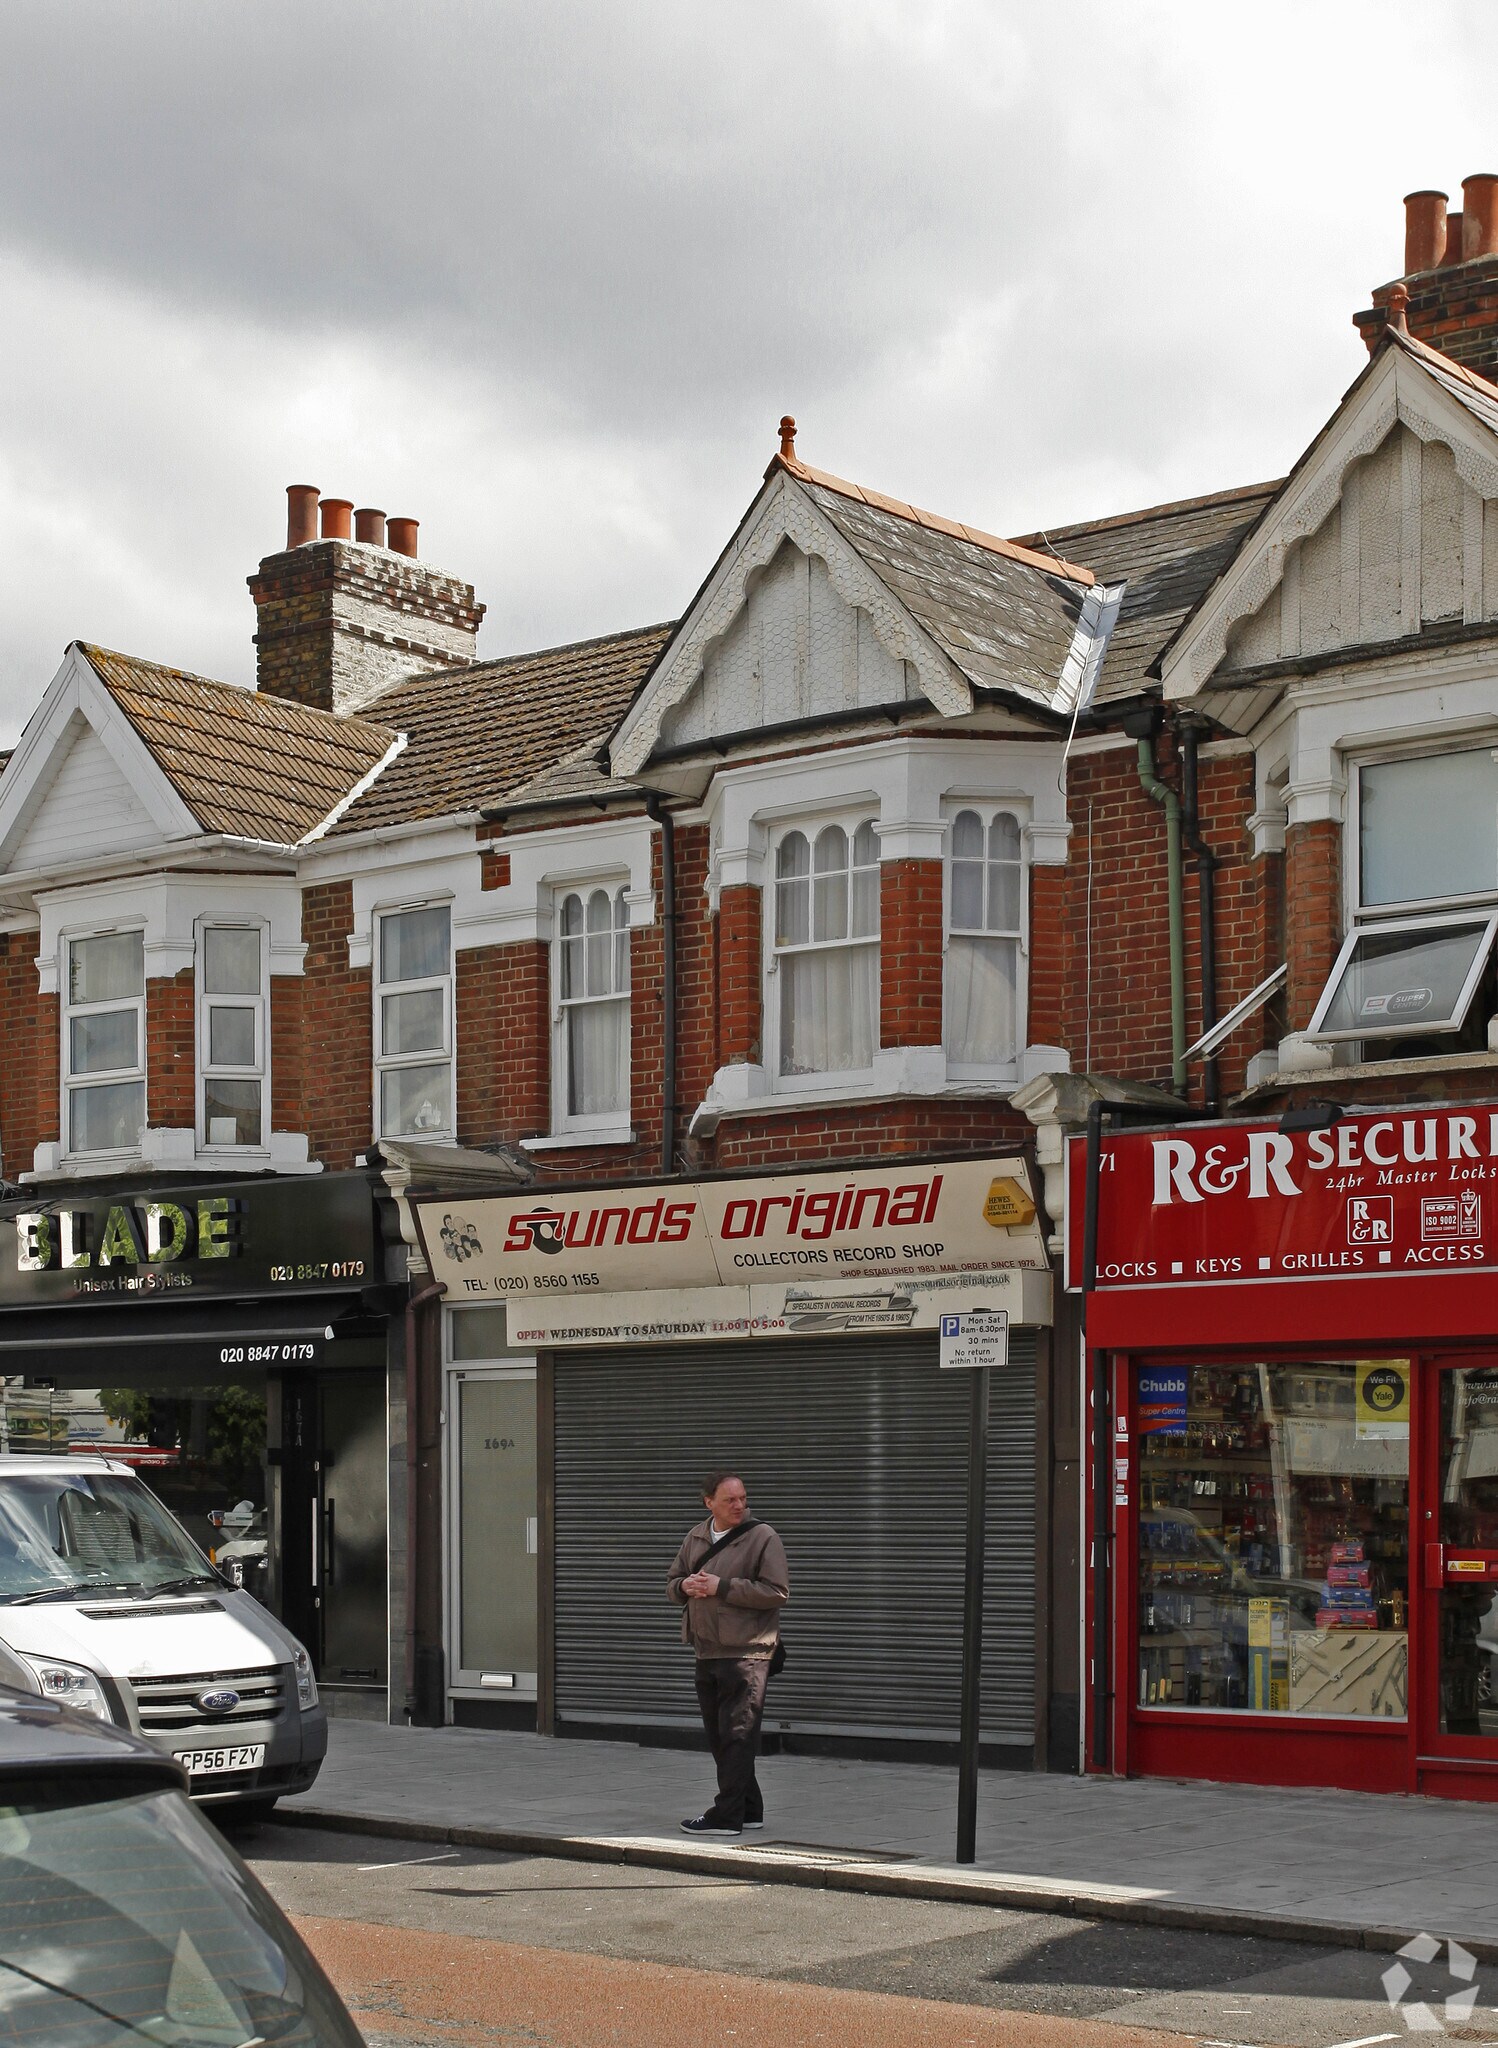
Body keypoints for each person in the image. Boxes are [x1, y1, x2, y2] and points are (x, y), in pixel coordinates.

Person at [666, 1468, 788, 1838]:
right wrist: (684, 1585)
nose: (739, 1505)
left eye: (743, 1498)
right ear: (709, 1503)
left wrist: (722, 1586)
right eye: (729, 1500)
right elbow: (671, 1584)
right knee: (721, 1735)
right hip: (706, 1650)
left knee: (737, 1734)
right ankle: (749, 1809)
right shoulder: (697, 1536)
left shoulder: (762, 1537)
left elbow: (776, 1591)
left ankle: (726, 1816)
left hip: (747, 1652)